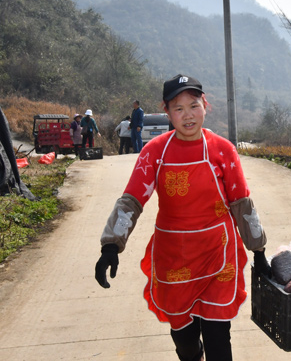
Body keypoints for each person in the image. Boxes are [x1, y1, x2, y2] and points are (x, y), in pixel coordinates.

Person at [94, 74, 271, 361]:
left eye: (194, 105)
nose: (188, 115)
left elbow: (242, 204)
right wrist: (111, 245)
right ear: (167, 112)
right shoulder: (155, 152)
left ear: (205, 106)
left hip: (218, 253)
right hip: (174, 256)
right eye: (178, 108)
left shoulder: (223, 151)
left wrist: (259, 250)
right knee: (185, 341)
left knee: (218, 338)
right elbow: (132, 200)